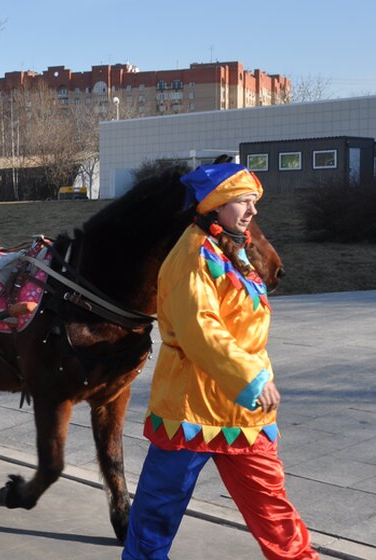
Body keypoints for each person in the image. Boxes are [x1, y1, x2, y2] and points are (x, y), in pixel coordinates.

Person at [122, 163, 316, 559]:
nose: (253, 211)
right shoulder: (191, 257)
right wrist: (253, 379)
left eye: (253, 202)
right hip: (190, 409)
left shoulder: (231, 249)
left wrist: (254, 379)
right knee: (157, 512)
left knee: (272, 509)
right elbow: (200, 329)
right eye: (244, 201)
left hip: (241, 414)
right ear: (215, 206)